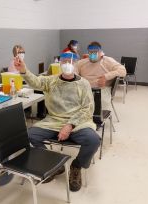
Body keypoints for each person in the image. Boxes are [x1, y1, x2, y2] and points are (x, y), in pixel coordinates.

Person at [13, 52, 100, 192]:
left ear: (76, 64)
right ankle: (54, 164)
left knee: (93, 140)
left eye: (71, 62)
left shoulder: (83, 84)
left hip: (78, 123)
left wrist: (70, 125)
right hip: (53, 122)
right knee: (29, 135)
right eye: (64, 61)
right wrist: (23, 70)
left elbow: (87, 108)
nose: (67, 65)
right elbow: (35, 82)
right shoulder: (51, 81)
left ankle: (76, 166)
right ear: (59, 64)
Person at [75, 41, 126, 110]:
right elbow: (73, 72)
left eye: (95, 52)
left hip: (100, 90)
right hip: (84, 89)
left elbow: (122, 70)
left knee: (93, 107)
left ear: (100, 52)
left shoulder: (107, 61)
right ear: (88, 52)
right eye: (90, 52)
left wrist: (106, 76)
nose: (92, 54)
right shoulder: (82, 62)